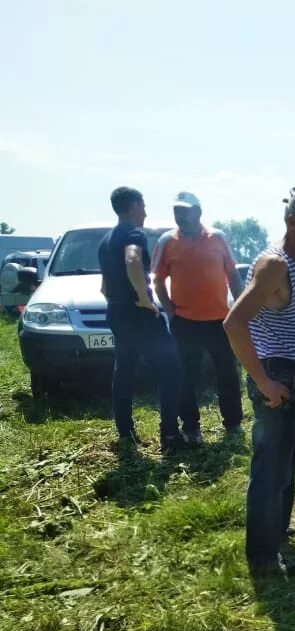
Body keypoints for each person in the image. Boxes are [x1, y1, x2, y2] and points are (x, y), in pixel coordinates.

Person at [224, 186, 295, 575]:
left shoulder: (293, 260)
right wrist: (263, 381)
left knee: (287, 461)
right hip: (274, 374)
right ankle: (261, 557)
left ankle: (276, 532)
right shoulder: (274, 264)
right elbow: (234, 323)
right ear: (294, 222)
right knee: (270, 470)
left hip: (287, 372)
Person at [153, 192, 244, 445]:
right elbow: (158, 280)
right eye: (176, 211)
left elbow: (232, 275)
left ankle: (233, 424)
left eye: (185, 211)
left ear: (198, 212)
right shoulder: (167, 241)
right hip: (185, 322)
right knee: (185, 376)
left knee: (227, 372)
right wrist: (170, 309)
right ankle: (191, 428)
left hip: (219, 321)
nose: (179, 215)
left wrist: (241, 307)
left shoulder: (217, 238)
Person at [97, 187, 184, 452]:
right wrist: (144, 299)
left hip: (116, 311)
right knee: (171, 369)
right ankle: (170, 435)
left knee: (123, 370)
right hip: (139, 313)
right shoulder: (133, 233)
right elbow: (133, 259)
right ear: (134, 206)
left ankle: (125, 433)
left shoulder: (106, 239)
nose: (145, 212)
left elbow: (104, 285)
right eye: (143, 205)